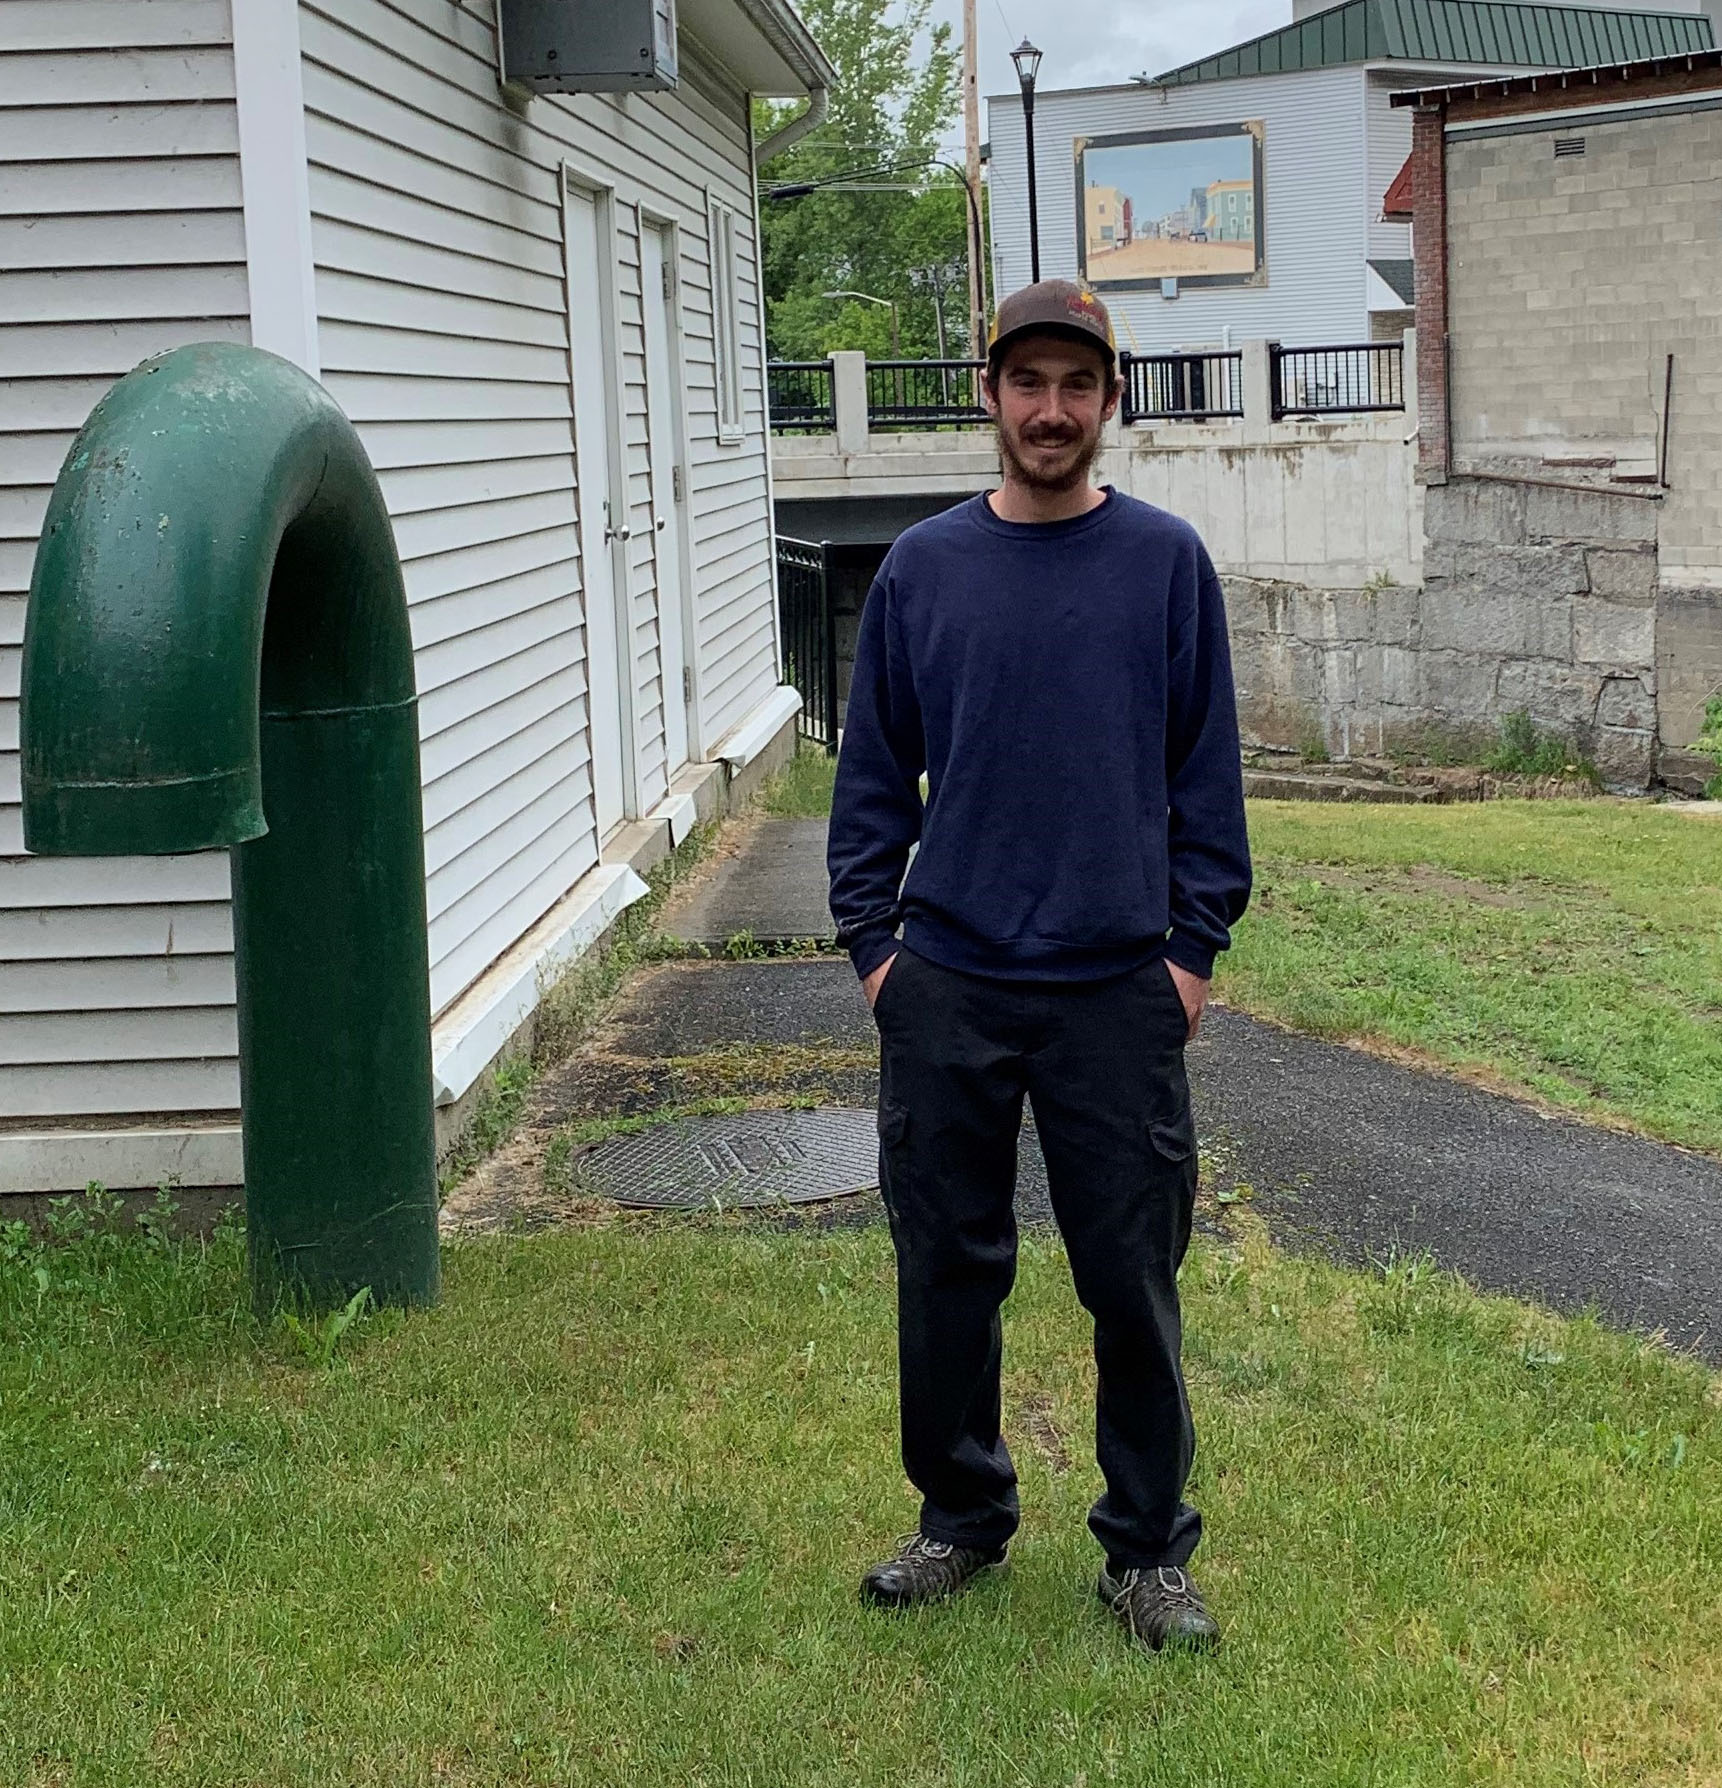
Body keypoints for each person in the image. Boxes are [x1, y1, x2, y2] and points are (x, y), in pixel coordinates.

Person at [826, 279, 1252, 1653]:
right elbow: (871, 779)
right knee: (946, 1266)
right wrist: (876, 951)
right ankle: (959, 1517)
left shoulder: (1165, 564)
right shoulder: (923, 570)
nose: (1051, 410)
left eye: (1078, 384)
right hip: (945, 978)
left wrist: (1187, 954)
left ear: (1110, 399)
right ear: (990, 393)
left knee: (1129, 1272)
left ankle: (1144, 1552)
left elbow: (1207, 780)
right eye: (1029, 383)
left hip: (1118, 988)